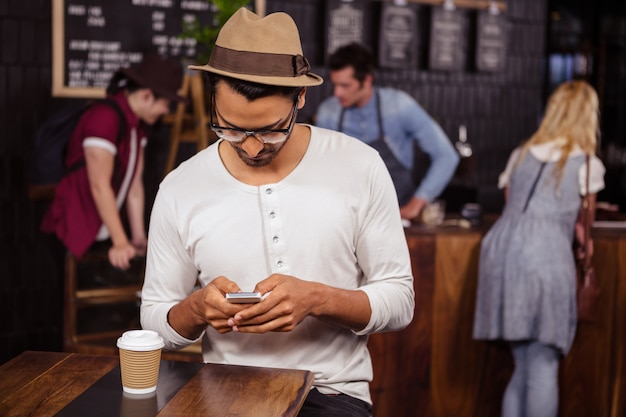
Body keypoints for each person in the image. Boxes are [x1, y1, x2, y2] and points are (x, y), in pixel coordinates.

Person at [140, 8, 414, 417]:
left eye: (271, 130)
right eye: (230, 129)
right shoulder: (180, 188)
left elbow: (399, 301)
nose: (251, 147)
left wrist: (317, 298)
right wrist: (197, 309)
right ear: (213, 95)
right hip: (223, 394)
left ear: (300, 97)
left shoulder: (360, 165)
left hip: (331, 394)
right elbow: (155, 325)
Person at [472, 80, 606, 417]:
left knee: (524, 364)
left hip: (502, 253)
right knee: (544, 364)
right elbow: (581, 224)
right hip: (545, 256)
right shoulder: (588, 164)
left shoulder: (521, 154)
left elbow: (513, 207)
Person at [41, 55, 184, 270]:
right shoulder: (104, 118)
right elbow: (99, 185)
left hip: (103, 229)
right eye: (165, 104)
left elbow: (134, 186)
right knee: (64, 298)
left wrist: (137, 237)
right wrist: (120, 241)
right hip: (74, 226)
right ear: (147, 96)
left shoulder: (137, 126)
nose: (166, 111)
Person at [315, 42, 460, 221]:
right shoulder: (328, 112)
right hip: (345, 217)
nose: (337, 93)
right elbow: (319, 166)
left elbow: (446, 156)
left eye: (345, 86)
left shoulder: (399, 106)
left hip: (396, 217)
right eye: (335, 84)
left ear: (367, 80)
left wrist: (417, 203)